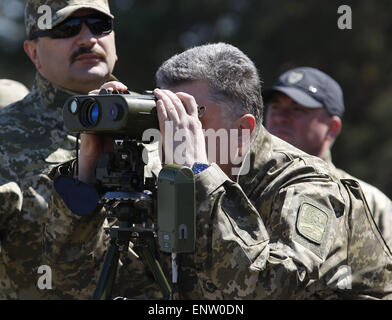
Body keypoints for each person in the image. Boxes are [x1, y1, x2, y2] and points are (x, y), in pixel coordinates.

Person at [46, 43, 392, 300]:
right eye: (164, 114)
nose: (172, 130)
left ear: (242, 130)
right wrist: (87, 174)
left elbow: (266, 290)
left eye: (189, 116)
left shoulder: (307, 184)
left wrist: (200, 173)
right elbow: (75, 283)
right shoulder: (167, 177)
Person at [0, 0, 118, 299]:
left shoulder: (160, 125)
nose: (88, 38)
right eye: (66, 28)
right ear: (33, 52)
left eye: (99, 25)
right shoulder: (4, 135)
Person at [263, 67, 392, 247]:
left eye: (297, 109)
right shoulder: (242, 186)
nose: (281, 117)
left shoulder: (368, 203)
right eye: (275, 107)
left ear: (332, 127)